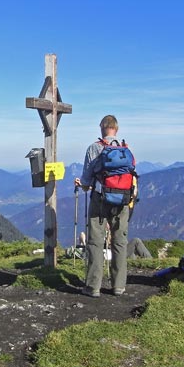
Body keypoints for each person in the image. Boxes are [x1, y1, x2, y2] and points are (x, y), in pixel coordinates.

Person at [74, 115, 133, 297]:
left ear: (102, 127)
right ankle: (118, 286)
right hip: (122, 199)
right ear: (116, 128)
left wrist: (82, 185)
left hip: (100, 198)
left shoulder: (94, 148)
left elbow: (86, 180)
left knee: (95, 241)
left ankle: (93, 287)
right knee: (120, 241)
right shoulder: (125, 149)